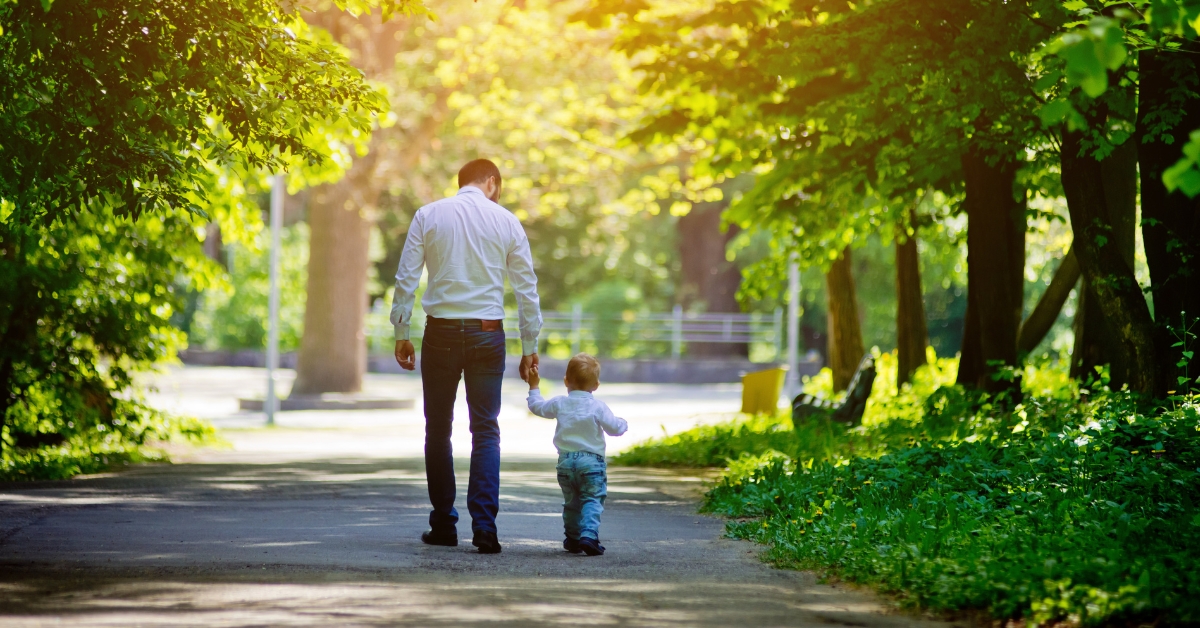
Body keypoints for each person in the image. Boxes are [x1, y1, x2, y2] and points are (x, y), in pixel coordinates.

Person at [391, 158, 542, 555]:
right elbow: (527, 289)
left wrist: (401, 332)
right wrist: (530, 348)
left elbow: (406, 276)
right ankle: (485, 528)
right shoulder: (507, 222)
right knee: (486, 429)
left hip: (439, 332)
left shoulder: (429, 215)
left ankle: (443, 524)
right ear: (492, 182)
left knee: (438, 429)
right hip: (487, 335)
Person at [525, 353, 628, 556]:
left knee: (571, 503)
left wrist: (534, 386)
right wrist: (623, 423)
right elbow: (615, 428)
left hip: (565, 463)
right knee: (592, 499)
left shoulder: (560, 403)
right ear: (596, 385)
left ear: (566, 381)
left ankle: (572, 538)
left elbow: (536, 407)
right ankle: (588, 536)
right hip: (592, 464)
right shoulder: (598, 406)